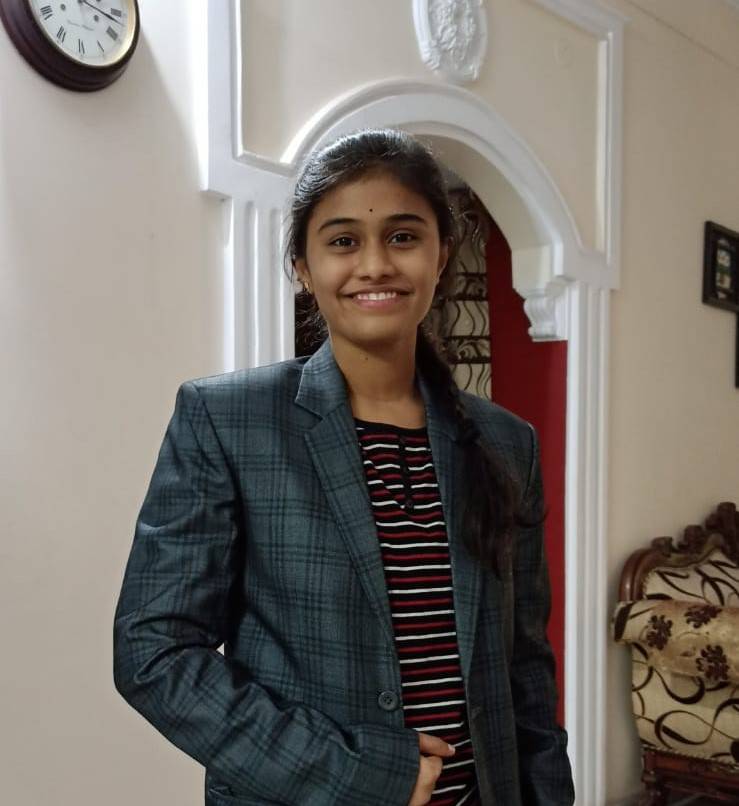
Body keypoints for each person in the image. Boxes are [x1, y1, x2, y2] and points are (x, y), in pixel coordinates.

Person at [113, 127, 575, 806]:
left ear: (441, 255)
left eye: (402, 236)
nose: (374, 265)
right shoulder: (229, 421)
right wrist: (356, 773)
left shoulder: (506, 442)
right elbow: (152, 653)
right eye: (341, 241)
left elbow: (525, 668)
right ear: (302, 266)